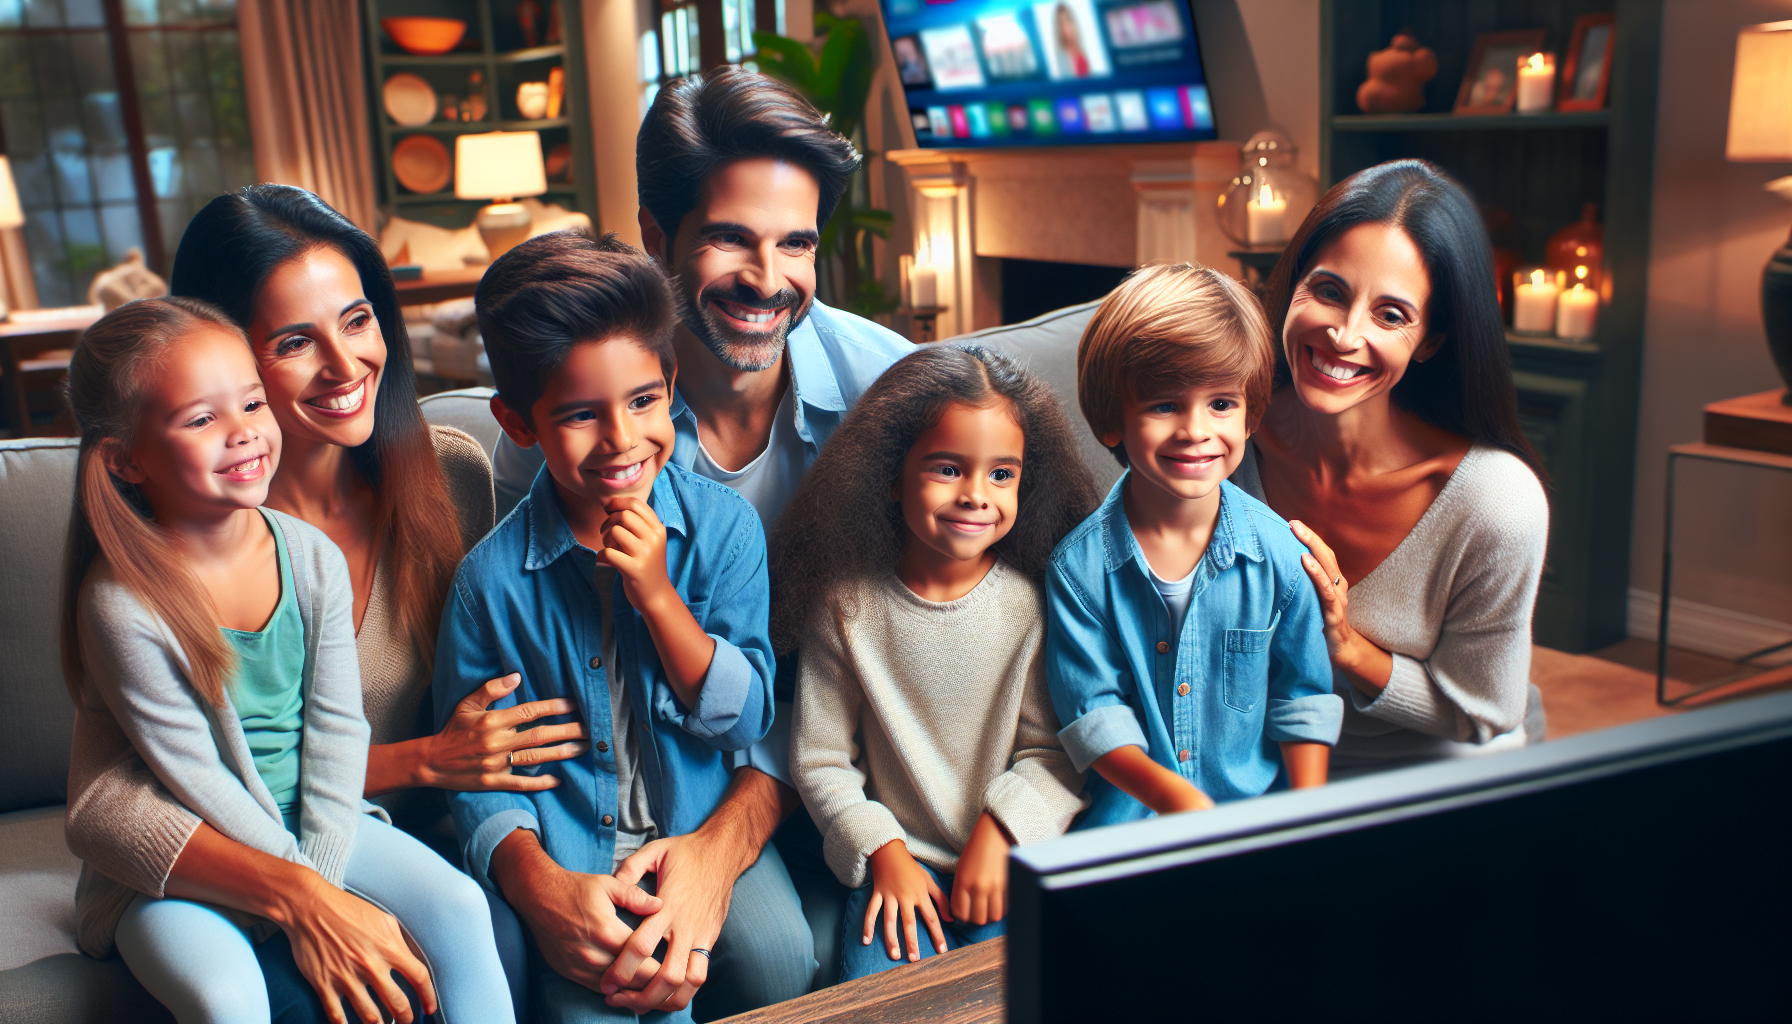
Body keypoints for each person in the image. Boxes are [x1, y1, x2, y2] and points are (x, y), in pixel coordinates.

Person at [63, 185, 577, 1019]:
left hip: (362, 831)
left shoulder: (452, 479)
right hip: (215, 855)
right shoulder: (139, 574)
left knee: (486, 934)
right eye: (296, 340)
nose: (345, 366)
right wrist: (397, 786)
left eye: (359, 319)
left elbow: (490, 709)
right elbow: (109, 805)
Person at [490, 66, 912, 1008]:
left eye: (796, 244)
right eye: (731, 240)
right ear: (655, 237)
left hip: (841, 769)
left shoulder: (895, 400)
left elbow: (893, 653)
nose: (768, 281)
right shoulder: (567, 442)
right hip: (645, 787)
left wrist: (723, 850)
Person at [438, 231, 775, 1023]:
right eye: (582, 415)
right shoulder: (488, 584)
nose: (623, 440)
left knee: (781, 955)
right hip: (577, 855)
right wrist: (540, 878)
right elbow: (476, 782)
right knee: (608, 998)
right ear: (519, 424)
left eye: (644, 401)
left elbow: (749, 714)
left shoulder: (726, 533)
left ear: (670, 384)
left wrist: (658, 596)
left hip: (695, 826)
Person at [777, 345, 1094, 979]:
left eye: (1002, 474)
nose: (978, 495)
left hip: (1010, 856)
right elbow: (821, 759)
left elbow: (1056, 749)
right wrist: (884, 851)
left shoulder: (1036, 606)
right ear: (891, 476)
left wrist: (1002, 833)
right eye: (948, 468)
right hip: (897, 869)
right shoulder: (845, 609)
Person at [1236, 159, 1549, 774]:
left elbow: (1484, 711)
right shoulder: (1226, 439)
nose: (1345, 335)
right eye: (1329, 291)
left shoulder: (1495, 501)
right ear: (1293, 285)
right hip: (1263, 769)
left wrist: (1347, 647)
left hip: (1431, 781)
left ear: (1431, 340)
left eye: (1391, 315)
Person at [1047, 263, 1343, 829]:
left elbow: (1301, 701)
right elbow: (1096, 716)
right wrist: (1181, 805)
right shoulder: (1078, 571)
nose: (1196, 430)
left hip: (1251, 827)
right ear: (1114, 420)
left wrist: (1310, 827)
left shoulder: (1282, 556)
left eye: (1222, 405)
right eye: (1164, 405)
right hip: (1127, 831)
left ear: (1252, 413)